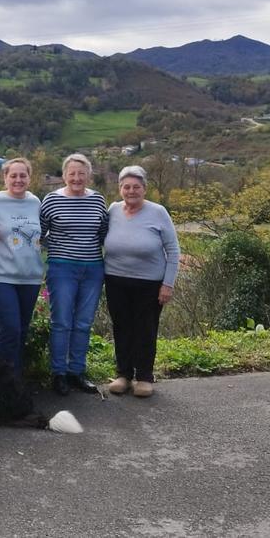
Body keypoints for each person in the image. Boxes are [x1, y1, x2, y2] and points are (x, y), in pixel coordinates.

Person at [103, 165, 180, 398]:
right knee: (122, 327)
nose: (131, 191)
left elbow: (173, 250)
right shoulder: (113, 210)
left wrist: (168, 284)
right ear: (120, 188)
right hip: (116, 280)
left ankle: (144, 377)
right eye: (126, 186)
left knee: (145, 329)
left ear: (145, 189)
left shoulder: (158, 212)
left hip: (149, 284)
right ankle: (123, 375)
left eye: (136, 187)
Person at [40, 153, 108, 396]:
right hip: (62, 268)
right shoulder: (51, 200)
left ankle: (76, 372)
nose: (77, 178)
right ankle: (59, 373)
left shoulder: (98, 200)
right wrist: (62, 247)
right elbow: (40, 234)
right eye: (72, 173)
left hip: (93, 268)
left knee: (83, 323)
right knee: (62, 322)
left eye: (81, 173)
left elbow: (102, 233)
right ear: (64, 176)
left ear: (89, 175)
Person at [0, 158, 44, 378]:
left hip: (30, 277)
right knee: (10, 330)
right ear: (5, 178)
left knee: (22, 332)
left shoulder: (35, 202)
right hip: (1, 277)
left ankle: (15, 383)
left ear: (29, 177)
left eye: (23, 175)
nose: (18, 180)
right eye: (13, 175)